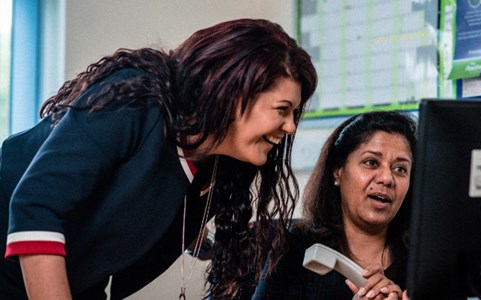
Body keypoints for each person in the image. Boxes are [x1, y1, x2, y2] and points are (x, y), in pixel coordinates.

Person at [0, 18, 317, 300]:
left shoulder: (219, 167)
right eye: (281, 109)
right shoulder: (136, 104)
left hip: (78, 277)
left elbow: (158, 209)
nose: (290, 127)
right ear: (234, 94)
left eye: (293, 114)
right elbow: (36, 207)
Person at [252, 111, 416, 300]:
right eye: (371, 162)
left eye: (400, 169)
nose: (387, 178)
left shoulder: (423, 264)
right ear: (337, 172)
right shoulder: (295, 249)